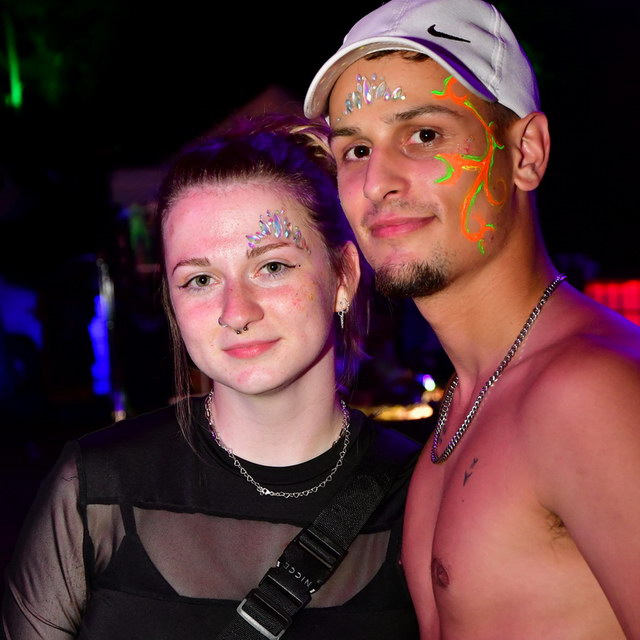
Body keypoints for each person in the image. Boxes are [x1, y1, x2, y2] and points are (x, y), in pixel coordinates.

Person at [2, 116, 420, 639]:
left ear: (343, 276)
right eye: (200, 279)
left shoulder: (422, 495)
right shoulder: (94, 490)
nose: (236, 311)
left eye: (272, 267)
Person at [304, 0, 640, 638]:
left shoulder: (590, 395)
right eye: (355, 150)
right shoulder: (466, 403)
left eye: (424, 135)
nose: (377, 182)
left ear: (526, 153)